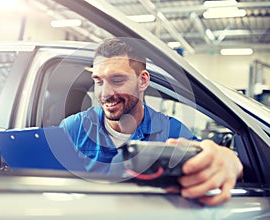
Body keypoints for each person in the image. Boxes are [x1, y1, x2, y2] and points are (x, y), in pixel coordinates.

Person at [59, 37, 243, 206]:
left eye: (117, 80)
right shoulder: (72, 129)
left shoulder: (171, 131)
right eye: (98, 81)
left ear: (143, 81)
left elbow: (210, 160)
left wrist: (229, 160)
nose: (104, 93)